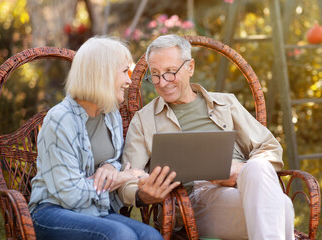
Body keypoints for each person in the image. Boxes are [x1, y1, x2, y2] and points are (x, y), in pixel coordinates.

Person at [118, 34, 294, 240]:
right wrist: (143, 193)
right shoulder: (144, 120)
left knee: (258, 167)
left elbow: (270, 149)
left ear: (190, 67)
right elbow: (127, 180)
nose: (162, 83)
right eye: (155, 74)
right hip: (195, 201)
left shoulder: (226, 104)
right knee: (281, 206)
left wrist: (236, 170)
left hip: (247, 183)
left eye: (170, 72)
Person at [28, 36, 163, 240]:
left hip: (96, 211)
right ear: (103, 73)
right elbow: (70, 195)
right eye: (123, 71)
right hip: (52, 212)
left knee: (150, 236)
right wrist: (122, 177)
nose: (129, 80)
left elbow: (117, 163)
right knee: (120, 235)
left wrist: (111, 168)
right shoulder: (60, 119)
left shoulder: (111, 113)